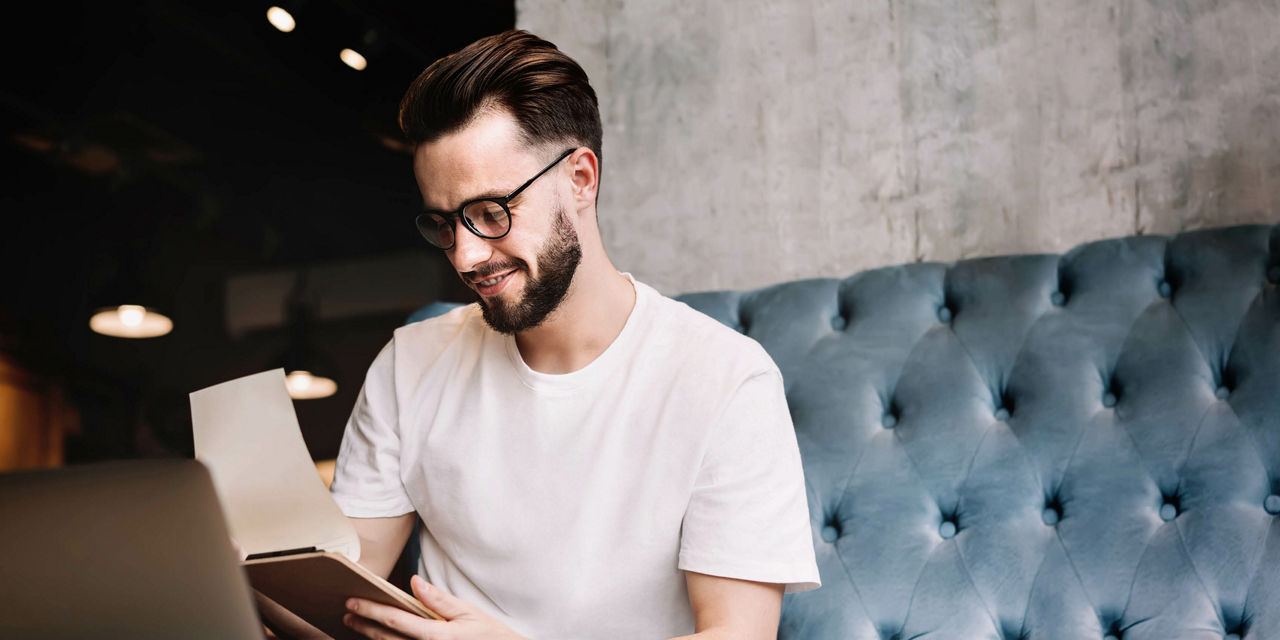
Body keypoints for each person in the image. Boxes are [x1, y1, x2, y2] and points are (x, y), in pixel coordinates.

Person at [329, 29, 819, 640]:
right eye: (445, 224)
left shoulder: (726, 379)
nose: (466, 255)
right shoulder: (411, 364)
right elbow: (338, 591)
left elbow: (738, 636)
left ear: (581, 179)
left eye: (491, 212)